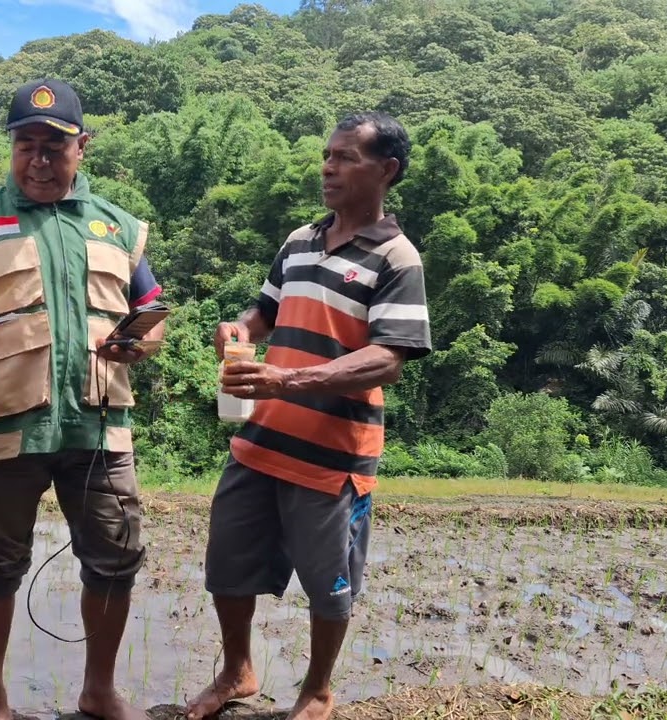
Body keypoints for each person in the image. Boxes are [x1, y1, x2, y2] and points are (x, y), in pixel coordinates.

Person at [0, 78, 164, 720]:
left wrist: (144, 341)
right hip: (6, 426)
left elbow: (151, 310)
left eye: (55, 146)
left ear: (83, 147)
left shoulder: (118, 225)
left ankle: (99, 690)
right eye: (28, 145)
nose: (40, 159)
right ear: (13, 147)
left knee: (115, 556)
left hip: (99, 425)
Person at [187, 112, 431, 720]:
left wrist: (287, 379)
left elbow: (387, 359)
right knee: (228, 567)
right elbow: (262, 312)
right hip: (260, 440)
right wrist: (238, 329)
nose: (329, 166)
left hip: (332, 459)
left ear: (387, 170)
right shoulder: (299, 240)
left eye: (347, 157)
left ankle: (317, 690)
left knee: (330, 585)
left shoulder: (398, 260)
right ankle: (238, 672)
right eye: (328, 155)